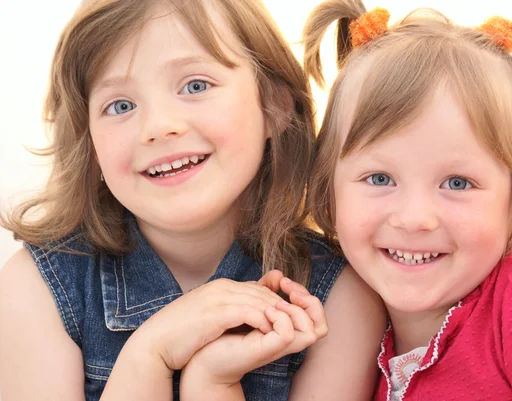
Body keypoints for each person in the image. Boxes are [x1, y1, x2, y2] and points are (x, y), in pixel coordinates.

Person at [0, 1, 386, 400]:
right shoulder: (35, 291)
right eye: (120, 106)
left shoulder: (340, 297)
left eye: (195, 86)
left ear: (275, 105)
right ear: (90, 143)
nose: (158, 127)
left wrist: (211, 380)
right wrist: (147, 356)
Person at [303, 1, 512, 400]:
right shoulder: (350, 339)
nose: (414, 218)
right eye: (379, 178)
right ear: (328, 193)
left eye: (457, 183)